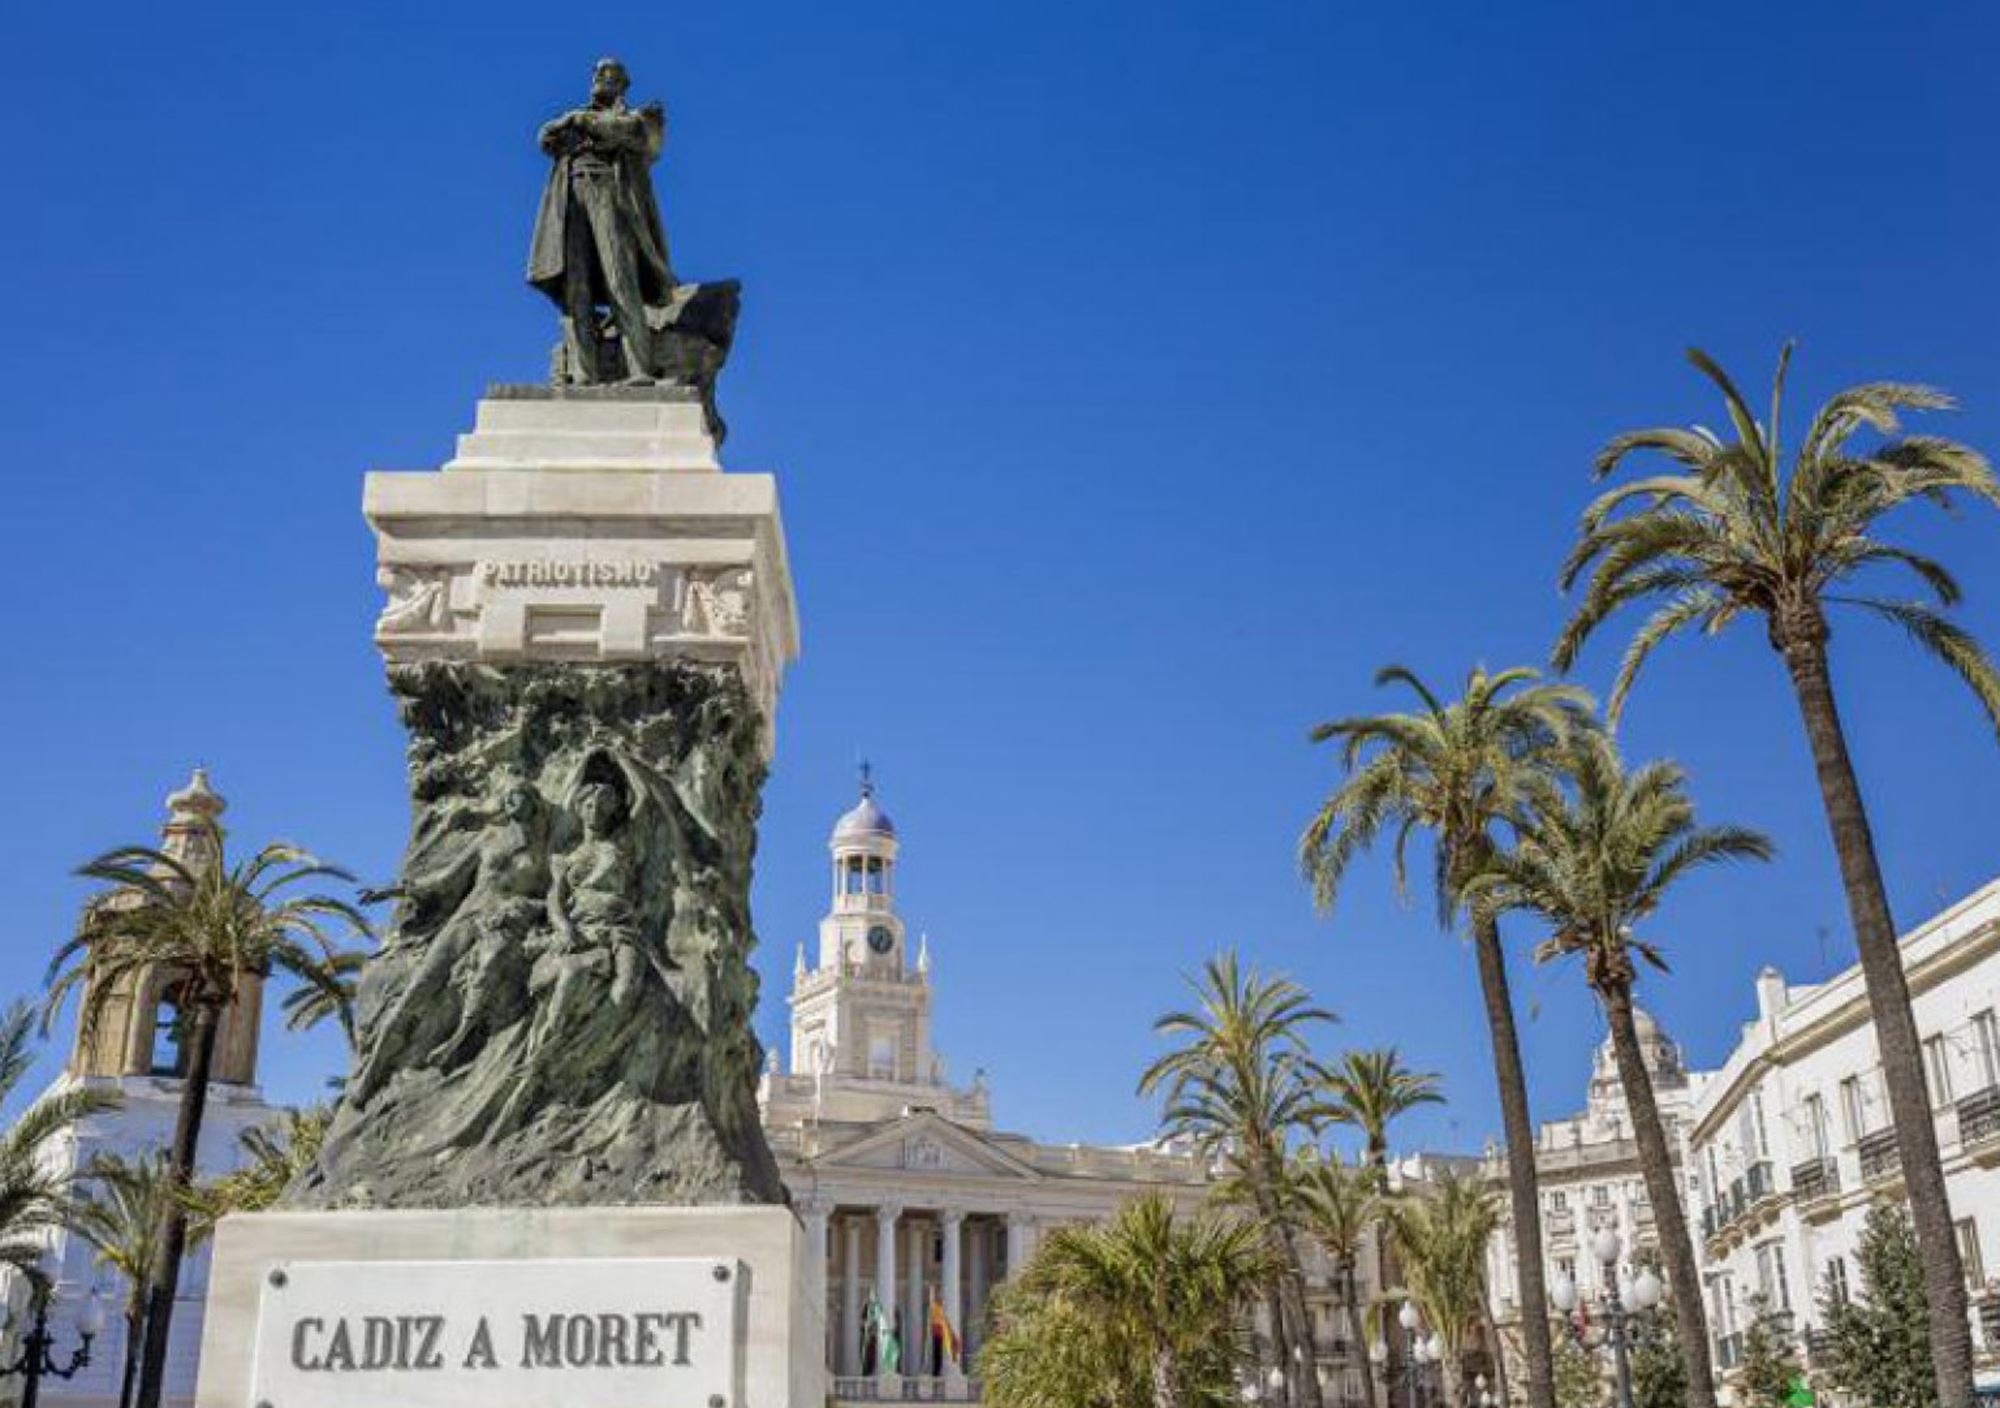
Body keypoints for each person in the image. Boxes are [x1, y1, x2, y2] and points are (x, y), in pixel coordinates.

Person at [526, 58, 674, 384]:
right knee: (575, 284)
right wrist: (570, 121)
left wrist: (581, 121)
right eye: (596, 72)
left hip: (610, 192)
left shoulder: (636, 118)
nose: (598, 77)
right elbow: (545, 139)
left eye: (607, 73)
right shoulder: (580, 114)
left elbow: (632, 133)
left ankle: (639, 368)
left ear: (621, 83)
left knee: (619, 277)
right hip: (572, 194)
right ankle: (582, 370)